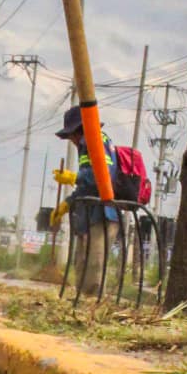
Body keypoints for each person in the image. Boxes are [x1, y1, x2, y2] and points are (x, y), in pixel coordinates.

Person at [50, 106, 119, 294]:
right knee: (81, 264)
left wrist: (74, 177)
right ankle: (80, 305)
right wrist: (67, 204)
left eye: (71, 135)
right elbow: (85, 187)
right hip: (87, 216)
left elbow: (105, 175)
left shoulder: (96, 139)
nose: (70, 140)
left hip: (102, 215)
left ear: (78, 130)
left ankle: (91, 311)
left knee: (94, 269)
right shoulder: (84, 146)